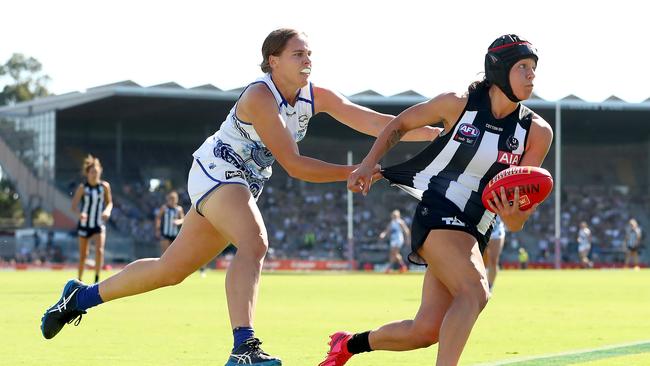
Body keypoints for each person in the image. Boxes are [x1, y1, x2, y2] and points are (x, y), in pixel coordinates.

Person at [40, 28, 436, 366]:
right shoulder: (260, 98)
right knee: (254, 241)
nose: (307, 60)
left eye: (310, 54)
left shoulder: (316, 96)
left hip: (240, 183)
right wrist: (353, 172)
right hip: (216, 172)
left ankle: (78, 298)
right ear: (272, 60)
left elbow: (381, 125)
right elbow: (295, 165)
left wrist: (438, 134)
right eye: (298, 54)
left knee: (170, 270)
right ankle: (244, 346)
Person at [319, 34, 553, 366]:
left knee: (425, 330)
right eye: (523, 67)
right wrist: (368, 164)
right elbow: (399, 124)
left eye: (534, 68)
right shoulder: (457, 103)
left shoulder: (537, 132)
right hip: (439, 210)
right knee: (474, 293)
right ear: (499, 70)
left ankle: (348, 344)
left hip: (477, 230)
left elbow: (516, 220)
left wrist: (512, 213)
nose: (532, 75)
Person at [70, 155, 113, 283]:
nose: (94, 174)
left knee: (100, 250)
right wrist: (80, 214)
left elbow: (110, 203)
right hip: (84, 224)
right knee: (84, 255)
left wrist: (107, 211)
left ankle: (97, 280)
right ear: (87, 173)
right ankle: (79, 280)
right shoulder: (83, 188)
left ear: (100, 172)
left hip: (98, 224)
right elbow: (73, 206)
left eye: (96, 172)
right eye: (92, 172)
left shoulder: (104, 186)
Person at [154, 191, 185, 255]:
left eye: (174, 199)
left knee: (174, 253)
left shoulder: (179, 209)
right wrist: (157, 229)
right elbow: (158, 218)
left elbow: (183, 219)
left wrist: (178, 221)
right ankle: (163, 264)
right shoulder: (164, 208)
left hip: (175, 234)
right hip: (165, 233)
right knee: (164, 253)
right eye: (171, 199)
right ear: (168, 199)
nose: (172, 201)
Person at [483, 215, 505, 290]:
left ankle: (489, 287)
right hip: (481, 226)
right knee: (481, 259)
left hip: (496, 229)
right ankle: (481, 284)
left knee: (493, 260)